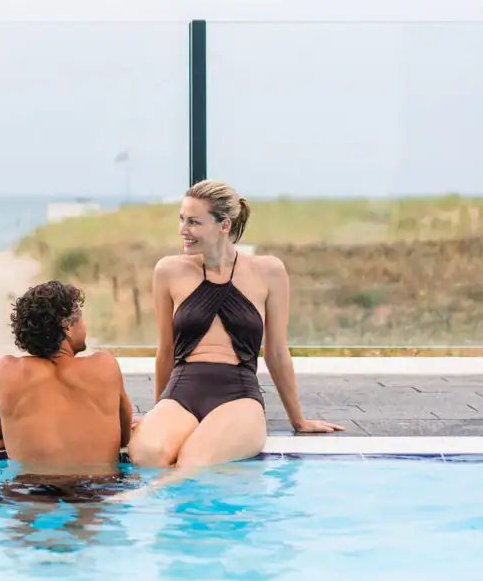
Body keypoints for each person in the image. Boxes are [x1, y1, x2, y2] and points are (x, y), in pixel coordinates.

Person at [129, 179, 343, 469]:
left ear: (224, 225)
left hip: (238, 394)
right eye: (181, 219)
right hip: (182, 390)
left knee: (194, 460)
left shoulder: (268, 271)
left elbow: (277, 352)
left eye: (194, 222)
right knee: (148, 455)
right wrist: (159, 411)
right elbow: (165, 350)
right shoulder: (169, 270)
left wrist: (299, 420)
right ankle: (154, 487)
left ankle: (145, 492)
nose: (183, 230)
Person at [0, 281, 134, 481]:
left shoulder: (6, 371)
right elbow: (124, 437)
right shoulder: (105, 367)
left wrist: (18, 437)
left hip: (29, 491)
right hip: (96, 490)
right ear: (67, 326)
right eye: (81, 319)